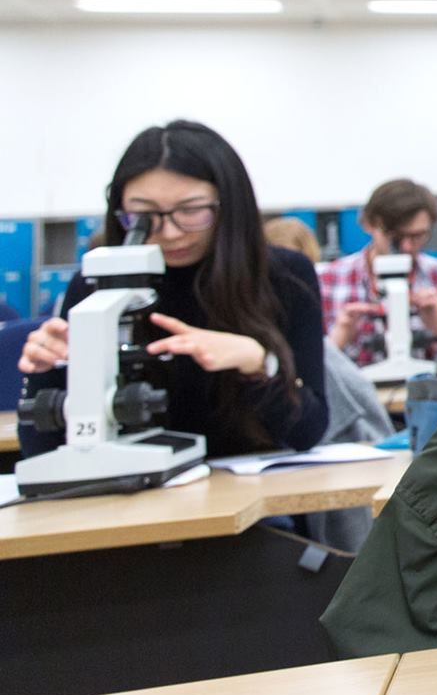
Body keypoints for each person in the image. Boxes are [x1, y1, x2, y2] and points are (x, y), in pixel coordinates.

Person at [17, 120, 328, 456]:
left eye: (191, 211)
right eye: (144, 215)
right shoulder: (96, 286)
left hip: (251, 493)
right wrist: (45, 375)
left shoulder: (285, 276)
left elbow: (307, 433)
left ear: (229, 204)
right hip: (131, 493)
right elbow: (39, 450)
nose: (169, 232)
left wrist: (258, 365)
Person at [319, 179, 437, 374]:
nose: (406, 246)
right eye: (396, 237)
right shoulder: (328, 281)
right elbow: (309, 374)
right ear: (369, 224)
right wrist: (339, 338)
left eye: (418, 236)